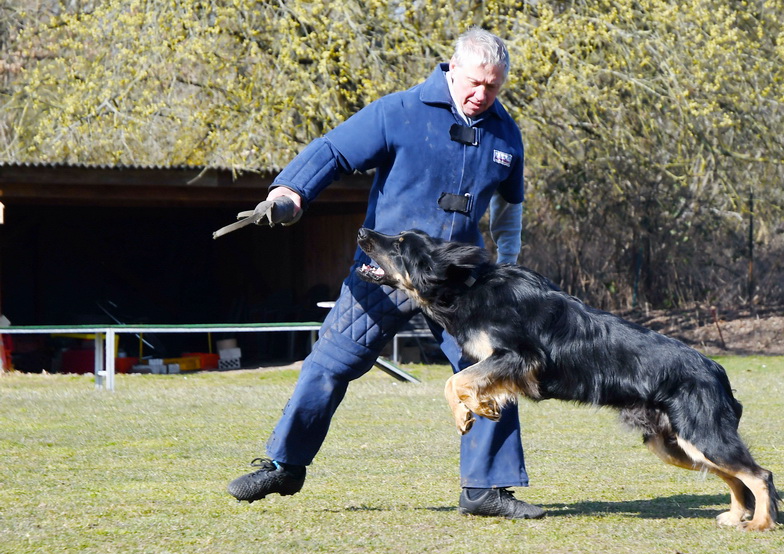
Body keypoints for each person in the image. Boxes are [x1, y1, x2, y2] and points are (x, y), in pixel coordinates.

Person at [227, 27, 545, 519]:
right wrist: (291, 192)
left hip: (461, 282)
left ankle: (488, 490)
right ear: (452, 69)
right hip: (383, 271)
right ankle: (283, 465)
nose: (482, 95)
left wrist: (509, 259)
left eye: (494, 86)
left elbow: (509, 206)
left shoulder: (505, 132)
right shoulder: (398, 112)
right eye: (476, 83)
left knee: (491, 370)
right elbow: (332, 151)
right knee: (330, 364)